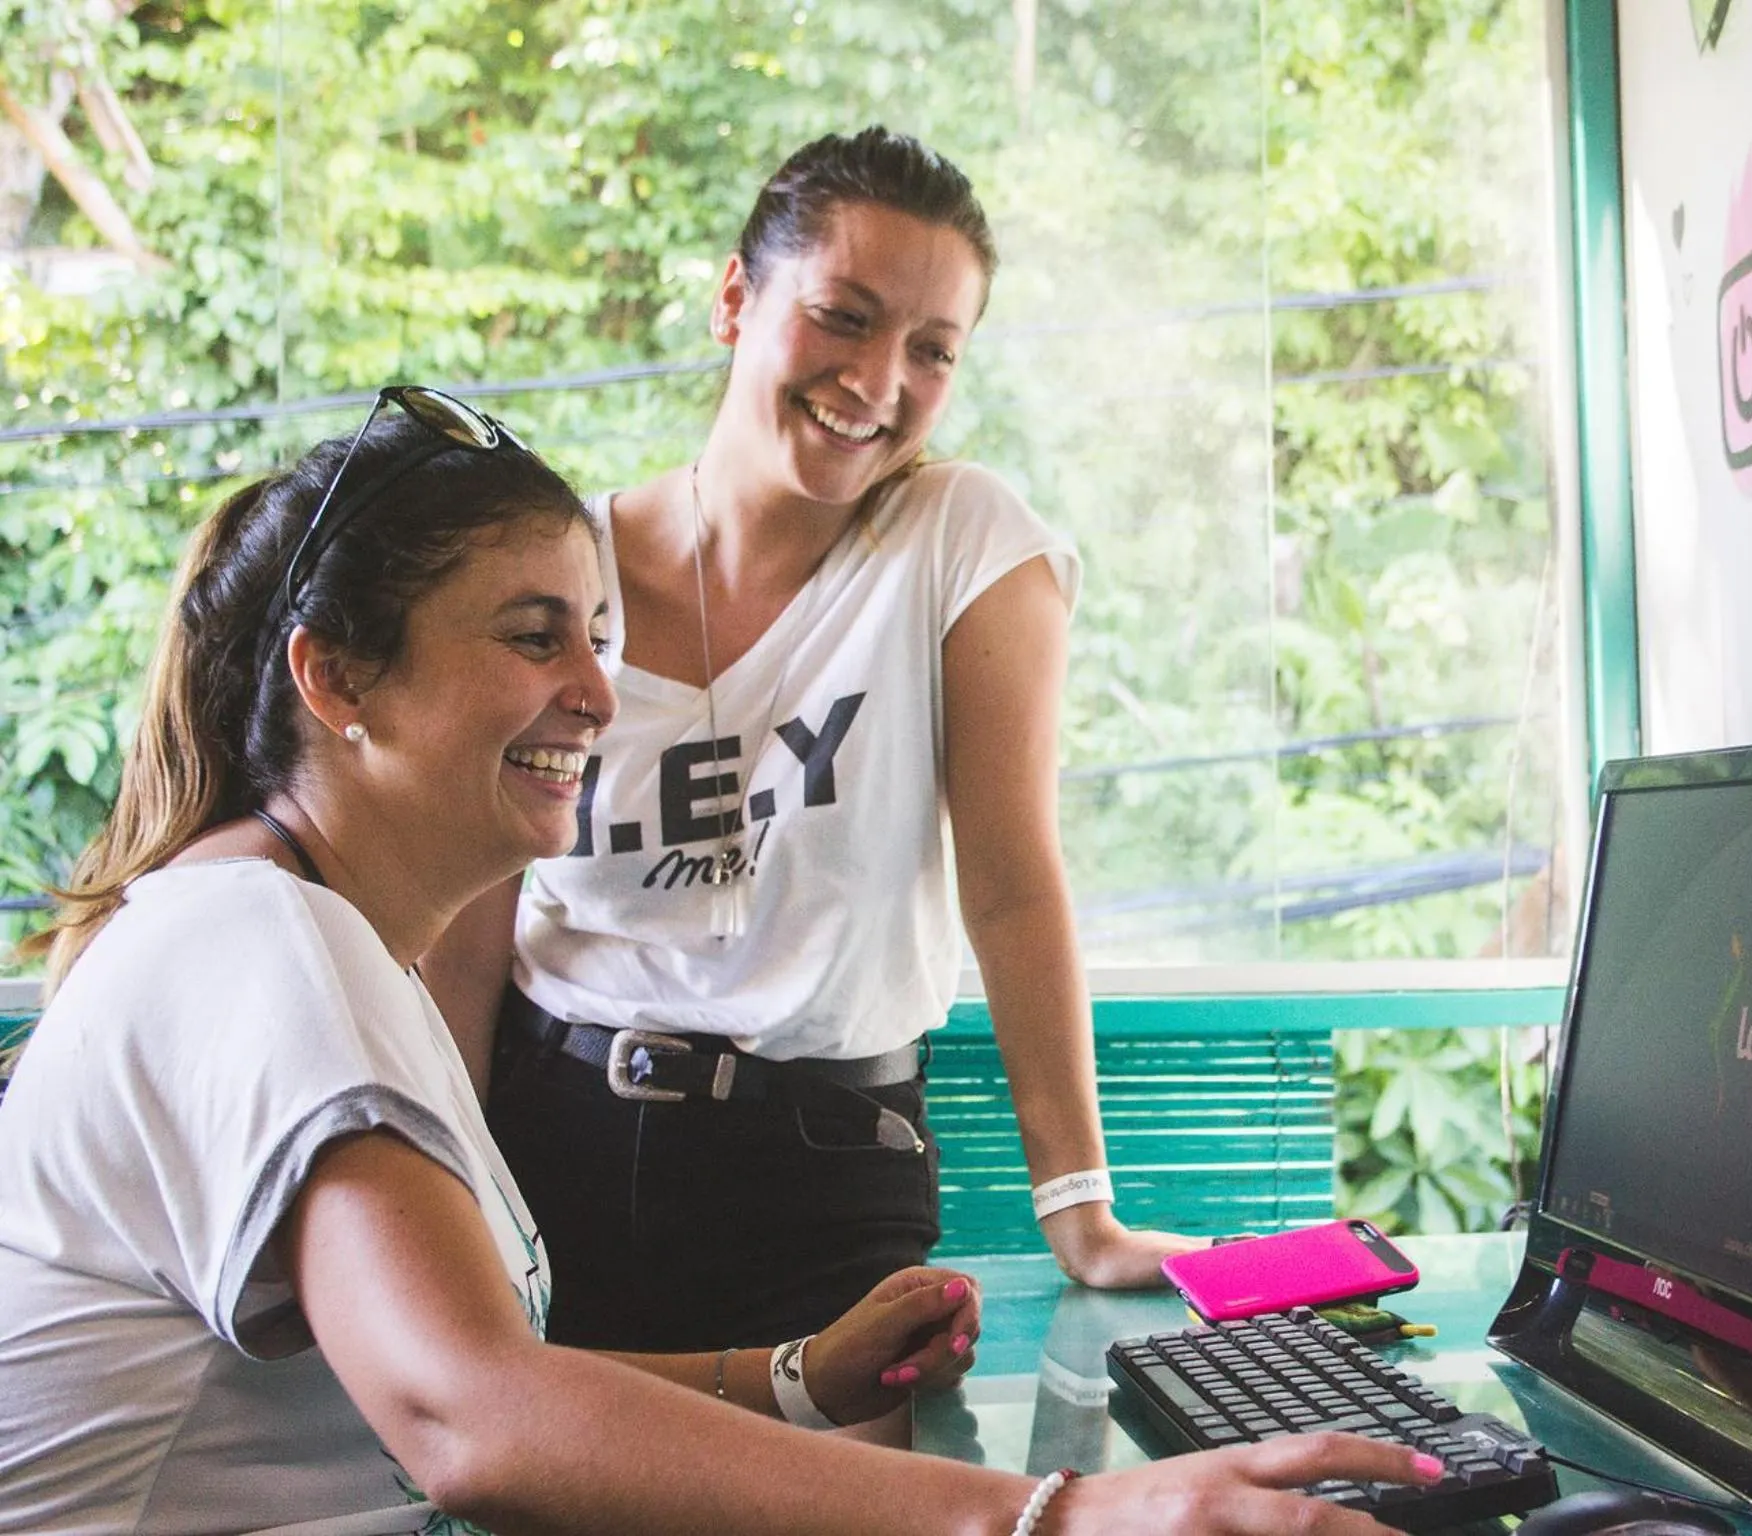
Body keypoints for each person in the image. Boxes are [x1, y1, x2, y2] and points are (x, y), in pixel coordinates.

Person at [0, 389, 1445, 1533]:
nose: (597, 690)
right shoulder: (271, 947)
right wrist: (1049, 1518)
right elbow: (468, 1424)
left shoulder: (276, 924)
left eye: (600, 635)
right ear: (337, 679)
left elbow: (426, 1378)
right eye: (532, 637)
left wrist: (786, 1380)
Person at [426, 125, 1203, 1358]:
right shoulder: (551, 564)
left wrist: (1082, 1213)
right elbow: (468, 920)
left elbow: (1009, 879)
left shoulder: (957, 539)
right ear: (735, 298)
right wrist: (447, 1188)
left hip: (830, 1166)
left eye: (931, 350)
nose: (879, 380)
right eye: (842, 317)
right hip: (552, 1136)